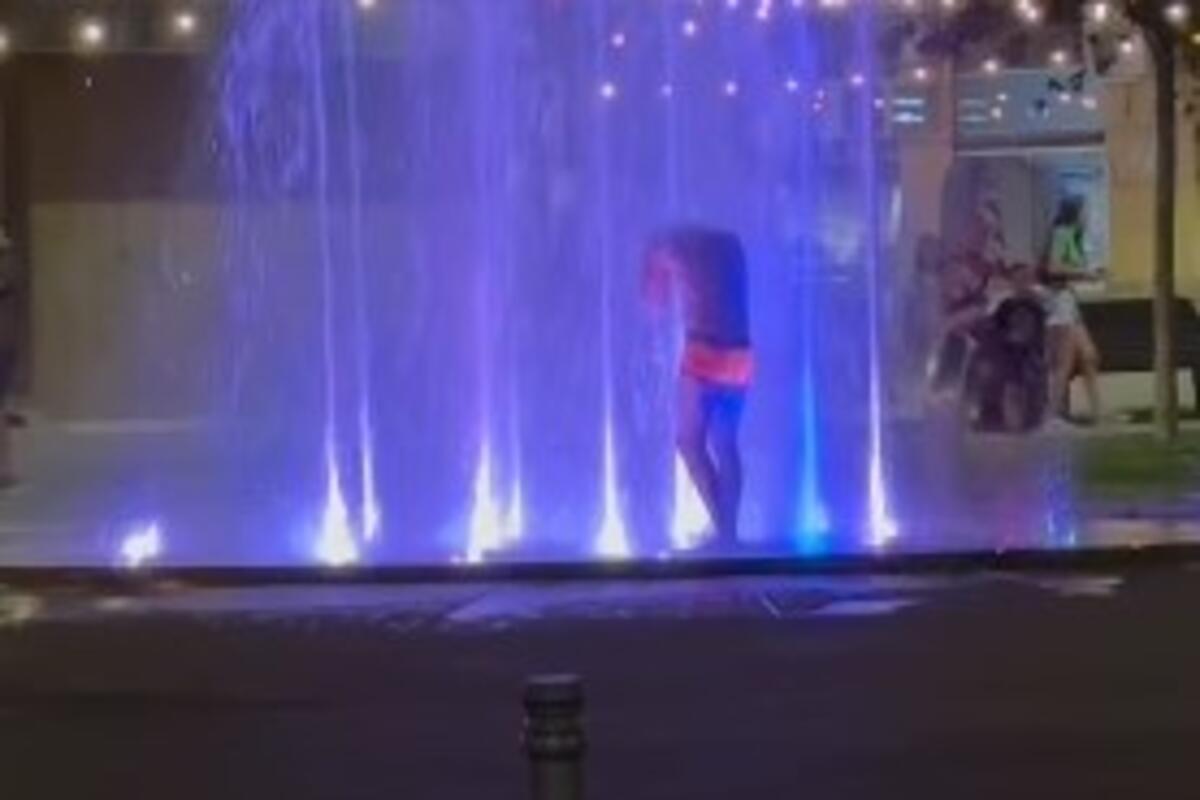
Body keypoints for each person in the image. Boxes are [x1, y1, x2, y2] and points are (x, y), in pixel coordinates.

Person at [643, 226, 752, 550]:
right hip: (741, 354)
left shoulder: (670, 249)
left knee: (689, 441)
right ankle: (728, 532)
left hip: (703, 353)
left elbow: (655, 302)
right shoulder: (729, 246)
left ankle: (725, 531)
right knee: (726, 443)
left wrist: (657, 291)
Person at [1041, 197, 1102, 424]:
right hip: (1059, 305)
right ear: (1075, 213)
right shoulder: (1063, 233)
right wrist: (1086, 273)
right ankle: (1052, 414)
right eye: (1085, 212)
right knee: (1064, 363)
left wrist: (1089, 273)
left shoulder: (1073, 236)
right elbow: (1054, 267)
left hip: (1068, 302)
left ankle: (1099, 412)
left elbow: (1068, 267)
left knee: (1089, 355)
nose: (1087, 217)